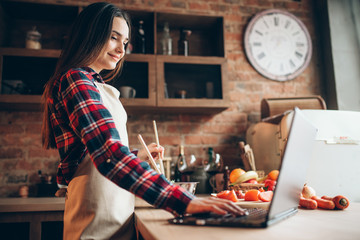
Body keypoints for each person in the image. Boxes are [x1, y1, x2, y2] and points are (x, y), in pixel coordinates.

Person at [42, 2, 246, 239]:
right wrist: (182, 201)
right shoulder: (76, 79)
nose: (121, 49)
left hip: (114, 215)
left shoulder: (92, 83)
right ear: (91, 34)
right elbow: (109, 155)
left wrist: (137, 154)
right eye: (113, 38)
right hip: (94, 221)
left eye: (125, 42)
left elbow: (91, 150)